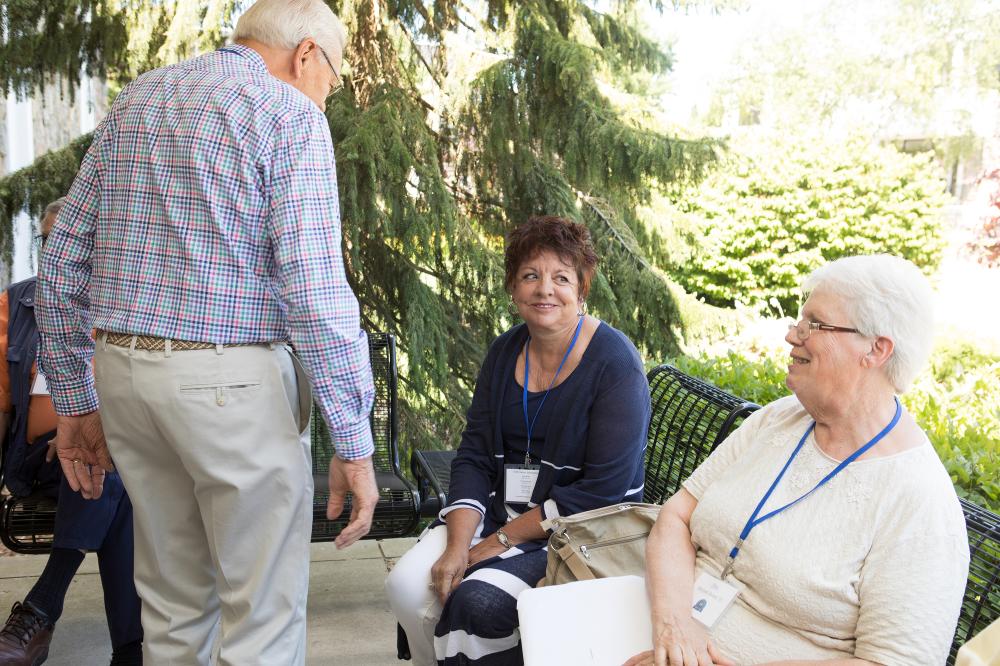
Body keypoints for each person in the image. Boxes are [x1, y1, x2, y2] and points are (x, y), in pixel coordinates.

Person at [33, 1, 380, 663]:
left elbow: (63, 258)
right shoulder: (288, 113)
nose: (326, 98)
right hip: (229, 388)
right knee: (261, 619)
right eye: (332, 82)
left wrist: (76, 402)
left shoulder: (140, 98)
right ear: (307, 54)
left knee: (172, 613)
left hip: (127, 379)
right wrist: (354, 443)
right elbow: (314, 291)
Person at [626, 254, 969, 666]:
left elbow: (894, 662)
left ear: (876, 349)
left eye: (815, 324)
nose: (792, 335)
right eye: (799, 321)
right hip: (654, 626)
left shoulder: (919, 501)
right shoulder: (781, 417)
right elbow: (677, 516)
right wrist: (674, 625)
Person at [386, 216, 652, 666]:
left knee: (477, 601)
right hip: (499, 512)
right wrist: (458, 546)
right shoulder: (505, 350)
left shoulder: (615, 365)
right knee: (407, 586)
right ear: (513, 287)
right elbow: (473, 455)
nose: (545, 289)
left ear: (582, 289)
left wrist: (500, 541)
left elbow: (602, 494)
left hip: (579, 531)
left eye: (561, 278)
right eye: (531, 275)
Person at [0, 198, 142, 666]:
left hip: (124, 453)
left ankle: (41, 615)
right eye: (49, 241)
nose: (59, 252)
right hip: (41, 459)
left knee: (111, 463)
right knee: (109, 465)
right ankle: (127, 647)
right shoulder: (16, 305)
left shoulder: (131, 309)